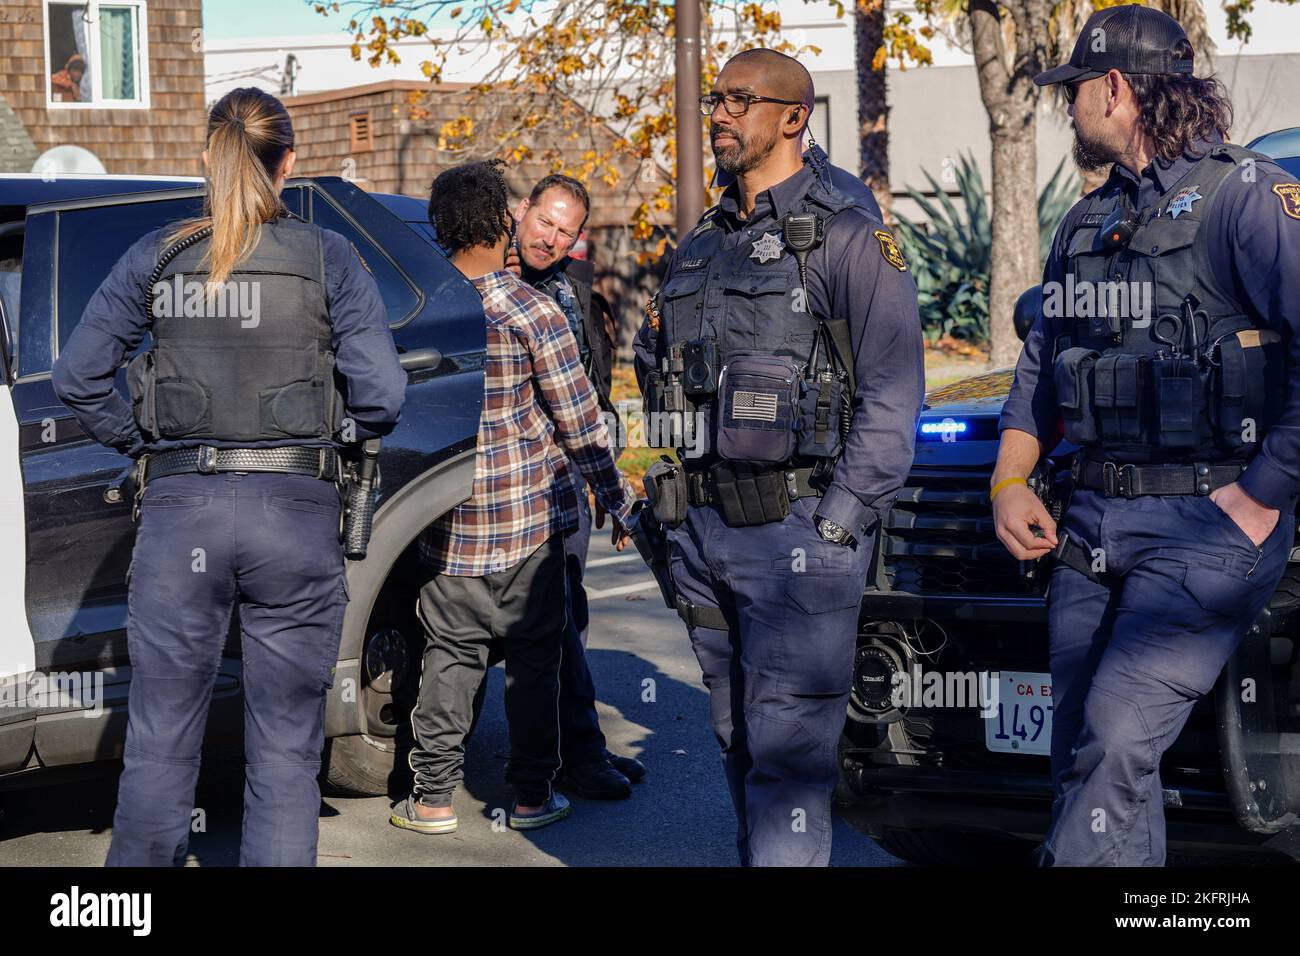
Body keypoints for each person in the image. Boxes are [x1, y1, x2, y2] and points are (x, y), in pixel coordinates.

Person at [51, 87, 406, 866]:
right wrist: (331, 439)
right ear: (289, 162)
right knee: (283, 750)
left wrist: (141, 444)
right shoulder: (327, 256)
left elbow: (79, 375)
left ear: (205, 160)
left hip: (183, 514)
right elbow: (382, 396)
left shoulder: (158, 255)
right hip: (293, 512)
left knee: (159, 741)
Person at [991, 4, 1300, 866]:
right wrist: (1008, 480)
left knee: (1116, 741)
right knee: (1084, 762)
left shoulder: (1247, 199)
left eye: (1075, 91)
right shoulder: (1084, 222)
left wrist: (1261, 495)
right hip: (1091, 527)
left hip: (1209, 527)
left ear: (1117, 89)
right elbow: (1039, 368)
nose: (1068, 107)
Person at [633, 48, 925, 866]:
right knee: (738, 737)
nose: (718, 113)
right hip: (704, 535)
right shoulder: (698, 241)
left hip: (800, 533)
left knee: (789, 759)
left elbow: (894, 392)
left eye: (737, 100)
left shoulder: (848, 234)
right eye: (714, 99)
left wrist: (837, 526)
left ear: (794, 117)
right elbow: (661, 373)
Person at [391, 160, 637, 835]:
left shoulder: (415, 318)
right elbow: (583, 423)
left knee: (450, 659)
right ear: (509, 219)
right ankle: (532, 797)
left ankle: (434, 798)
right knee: (535, 663)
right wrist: (619, 501)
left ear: (438, 229)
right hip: (528, 527)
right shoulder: (531, 311)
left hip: (446, 528)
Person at [505, 173, 647, 800]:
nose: (551, 238)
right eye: (545, 222)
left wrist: (607, 480)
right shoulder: (490, 283)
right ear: (522, 210)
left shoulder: (575, 290)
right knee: (549, 622)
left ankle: (572, 746)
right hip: (516, 486)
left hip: (571, 481)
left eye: (566, 231)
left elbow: (595, 392)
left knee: (569, 616)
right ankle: (577, 753)